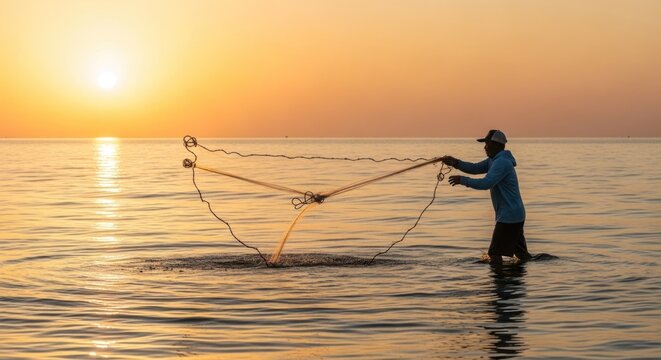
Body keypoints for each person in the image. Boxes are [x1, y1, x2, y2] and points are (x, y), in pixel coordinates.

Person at [441, 130, 531, 264]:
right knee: (521, 255)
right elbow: (475, 168)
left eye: (487, 144)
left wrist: (462, 180)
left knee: (494, 253)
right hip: (513, 214)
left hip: (509, 216)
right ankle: (519, 281)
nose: (485, 147)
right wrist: (455, 162)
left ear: (496, 145)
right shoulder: (494, 160)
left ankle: (500, 283)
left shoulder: (502, 162)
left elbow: (486, 183)